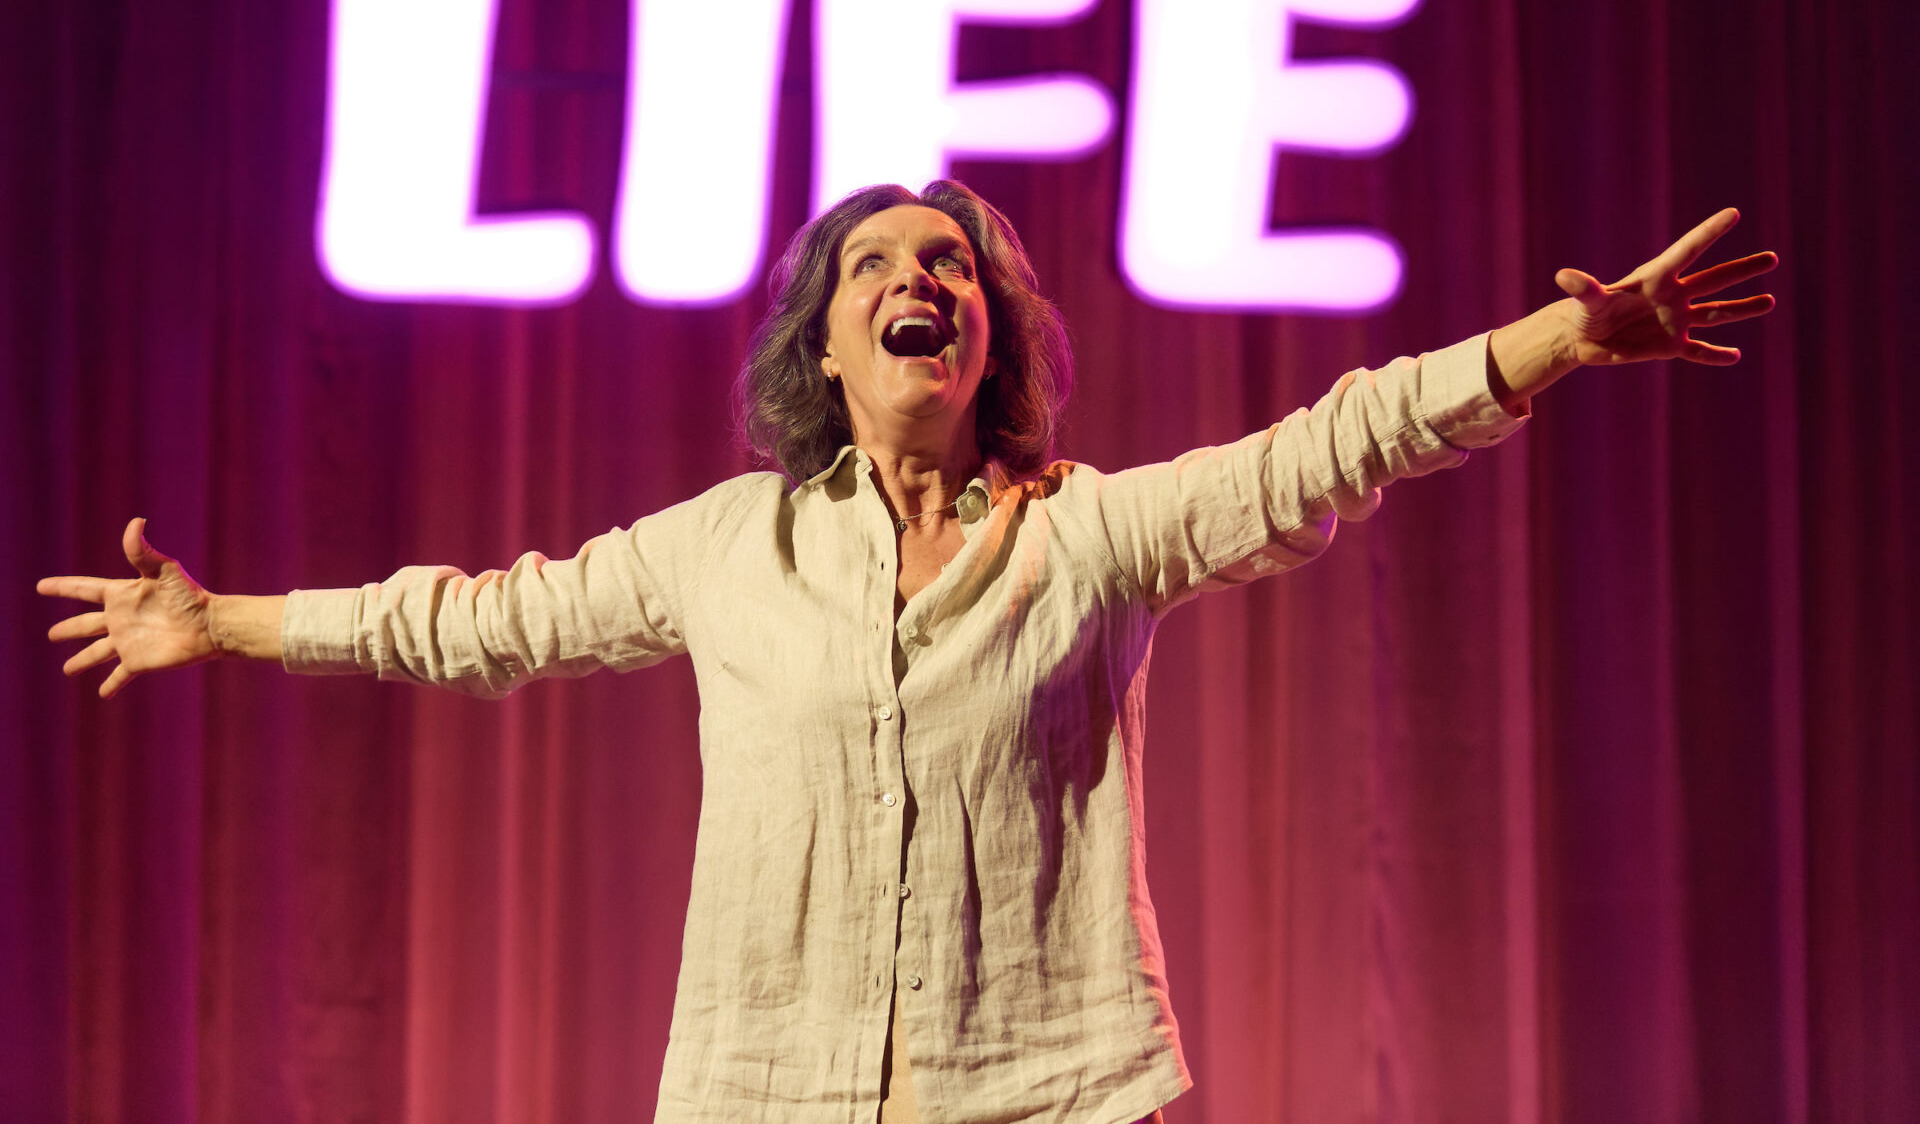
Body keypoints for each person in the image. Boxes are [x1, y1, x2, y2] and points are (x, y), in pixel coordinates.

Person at [38, 181, 1776, 1124]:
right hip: (762, 1091)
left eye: (949, 264)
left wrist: (1562, 339)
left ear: (988, 337)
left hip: (1053, 1092)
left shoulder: (1092, 530)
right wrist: (230, 621)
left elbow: (1339, 443)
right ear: (828, 339)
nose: (915, 279)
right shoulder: (729, 548)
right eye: (875, 265)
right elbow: (479, 622)